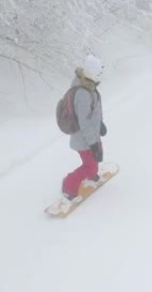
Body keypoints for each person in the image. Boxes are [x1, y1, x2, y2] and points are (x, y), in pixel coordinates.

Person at [62, 54, 107, 200]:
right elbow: (84, 123)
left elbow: (93, 111)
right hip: (84, 139)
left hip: (91, 135)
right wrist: (93, 144)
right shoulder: (83, 93)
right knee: (90, 164)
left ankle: (92, 176)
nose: (101, 76)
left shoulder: (89, 85)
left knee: (96, 158)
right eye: (99, 73)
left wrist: (100, 123)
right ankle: (69, 185)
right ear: (92, 73)